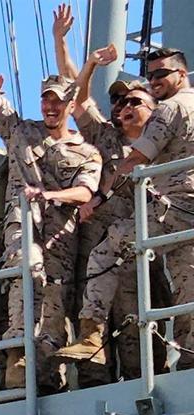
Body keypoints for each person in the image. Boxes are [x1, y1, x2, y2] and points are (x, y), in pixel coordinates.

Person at [0, 15, 102, 391]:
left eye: (57, 101)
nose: (50, 107)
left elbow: (86, 193)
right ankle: (17, 366)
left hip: (60, 235)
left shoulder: (87, 151)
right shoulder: (21, 131)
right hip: (23, 228)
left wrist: (51, 195)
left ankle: (48, 379)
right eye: (45, 100)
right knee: (27, 273)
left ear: (69, 105)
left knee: (54, 304)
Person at [52, 43, 160, 377]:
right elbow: (80, 99)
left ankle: (142, 383)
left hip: (142, 249)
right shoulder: (105, 137)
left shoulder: (166, 143)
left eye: (133, 101)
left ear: (153, 109)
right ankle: (94, 386)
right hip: (99, 248)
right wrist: (89, 63)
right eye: (117, 101)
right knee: (94, 320)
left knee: (135, 327)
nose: (122, 106)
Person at [102, 47, 194, 367]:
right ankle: (188, 360)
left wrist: (102, 195)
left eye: (161, 74)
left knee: (111, 243)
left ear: (181, 75)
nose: (154, 80)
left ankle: (89, 329)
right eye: (150, 75)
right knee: (189, 287)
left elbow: (139, 157)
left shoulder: (169, 108)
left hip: (177, 208)